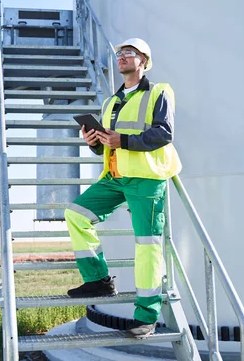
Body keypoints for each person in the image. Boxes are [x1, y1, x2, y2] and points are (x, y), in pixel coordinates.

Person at [64, 38, 182, 339]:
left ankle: (146, 316)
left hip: (146, 178)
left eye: (128, 53)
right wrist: (93, 142)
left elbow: (164, 133)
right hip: (115, 176)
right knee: (76, 213)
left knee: (147, 246)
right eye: (119, 54)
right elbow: (108, 144)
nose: (121, 57)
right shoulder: (110, 102)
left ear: (143, 60)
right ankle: (99, 280)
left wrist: (124, 141)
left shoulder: (160, 91)